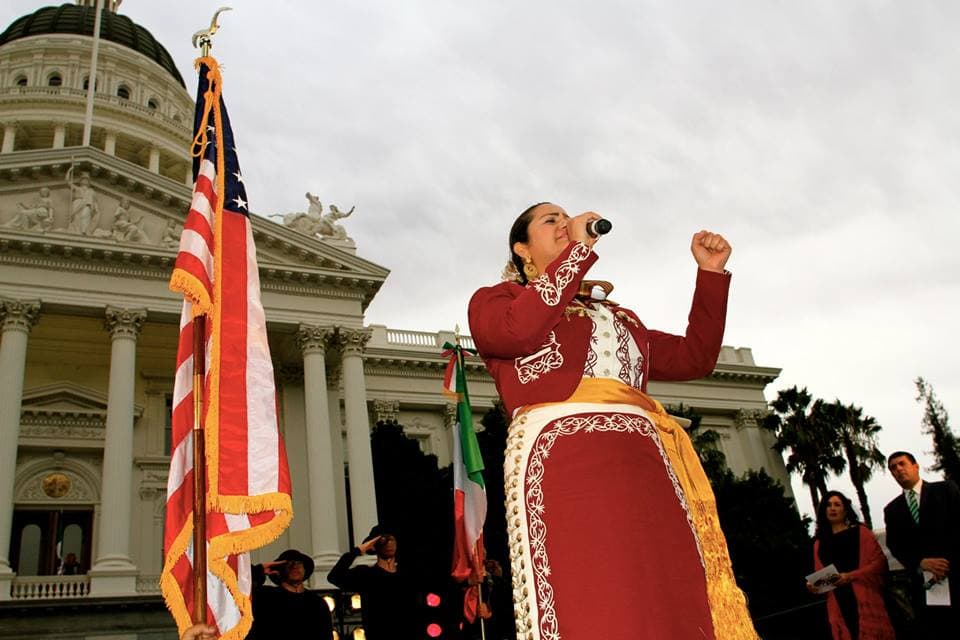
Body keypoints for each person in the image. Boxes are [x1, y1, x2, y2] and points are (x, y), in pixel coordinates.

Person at [467, 203, 755, 640]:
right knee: (594, 590)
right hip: (566, 457)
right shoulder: (496, 300)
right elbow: (516, 333)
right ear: (521, 249)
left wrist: (710, 275)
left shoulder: (618, 316)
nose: (565, 224)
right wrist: (578, 252)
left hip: (646, 462)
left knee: (667, 586)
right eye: (550, 220)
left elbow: (695, 357)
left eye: (567, 218)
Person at [883, 451, 960, 634]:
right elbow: (895, 545)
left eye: (902, 463)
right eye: (893, 468)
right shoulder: (892, 510)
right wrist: (920, 562)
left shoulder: (945, 490)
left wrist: (944, 564)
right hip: (927, 588)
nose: (898, 469)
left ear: (915, 466)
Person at [807, 491, 895, 639]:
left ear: (845, 510)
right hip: (839, 605)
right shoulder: (819, 544)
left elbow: (879, 564)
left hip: (867, 598)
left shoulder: (861, 533)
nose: (832, 508)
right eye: (828, 505)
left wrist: (850, 576)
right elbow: (820, 575)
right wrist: (814, 585)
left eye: (837, 504)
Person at [327, 529, 417, 639]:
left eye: (391, 540)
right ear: (374, 546)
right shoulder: (366, 574)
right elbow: (334, 576)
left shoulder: (407, 575)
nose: (388, 543)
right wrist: (359, 550)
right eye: (383, 540)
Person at [245, 549, 334, 639]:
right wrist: (258, 571)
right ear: (279, 571)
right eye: (289, 564)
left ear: (305, 570)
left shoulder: (317, 603)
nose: (295, 566)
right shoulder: (265, 596)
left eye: (299, 563)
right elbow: (240, 588)